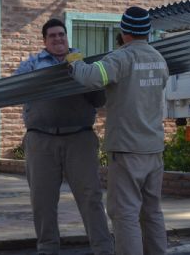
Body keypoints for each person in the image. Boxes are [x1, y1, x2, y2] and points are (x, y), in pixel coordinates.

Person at [69, 7, 169, 255]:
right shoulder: (159, 59)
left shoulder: (122, 58)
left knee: (124, 214)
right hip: (153, 149)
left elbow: (92, 77)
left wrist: (74, 61)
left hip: (126, 150)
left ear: (124, 31)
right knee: (152, 212)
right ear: (147, 32)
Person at [14, 19, 114, 255]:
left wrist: (83, 73)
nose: (58, 39)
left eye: (62, 35)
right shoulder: (31, 65)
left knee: (90, 197)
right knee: (43, 201)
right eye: (52, 36)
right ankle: (47, 248)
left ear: (67, 38)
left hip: (79, 139)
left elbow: (100, 100)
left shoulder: (84, 64)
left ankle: (103, 249)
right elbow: (16, 90)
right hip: (41, 141)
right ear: (44, 41)